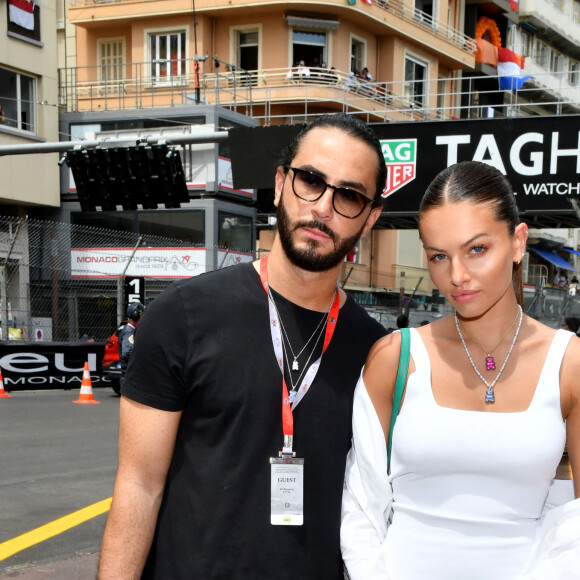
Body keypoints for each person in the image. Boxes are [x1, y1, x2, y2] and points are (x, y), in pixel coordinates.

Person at [99, 113, 388, 579]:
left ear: (370, 217)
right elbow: (138, 485)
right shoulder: (183, 316)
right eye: (310, 180)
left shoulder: (379, 354)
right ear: (279, 183)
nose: (323, 206)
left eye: (349, 195)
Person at [342, 161, 580, 578]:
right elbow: (361, 508)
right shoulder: (396, 359)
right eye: (438, 256)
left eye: (477, 249)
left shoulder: (569, 363)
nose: (457, 276)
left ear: (519, 242)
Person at [117, 301, 144, 372]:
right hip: (129, 373)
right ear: (138, 315)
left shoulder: (131, 329)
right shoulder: (129, 331)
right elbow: (127, 353)